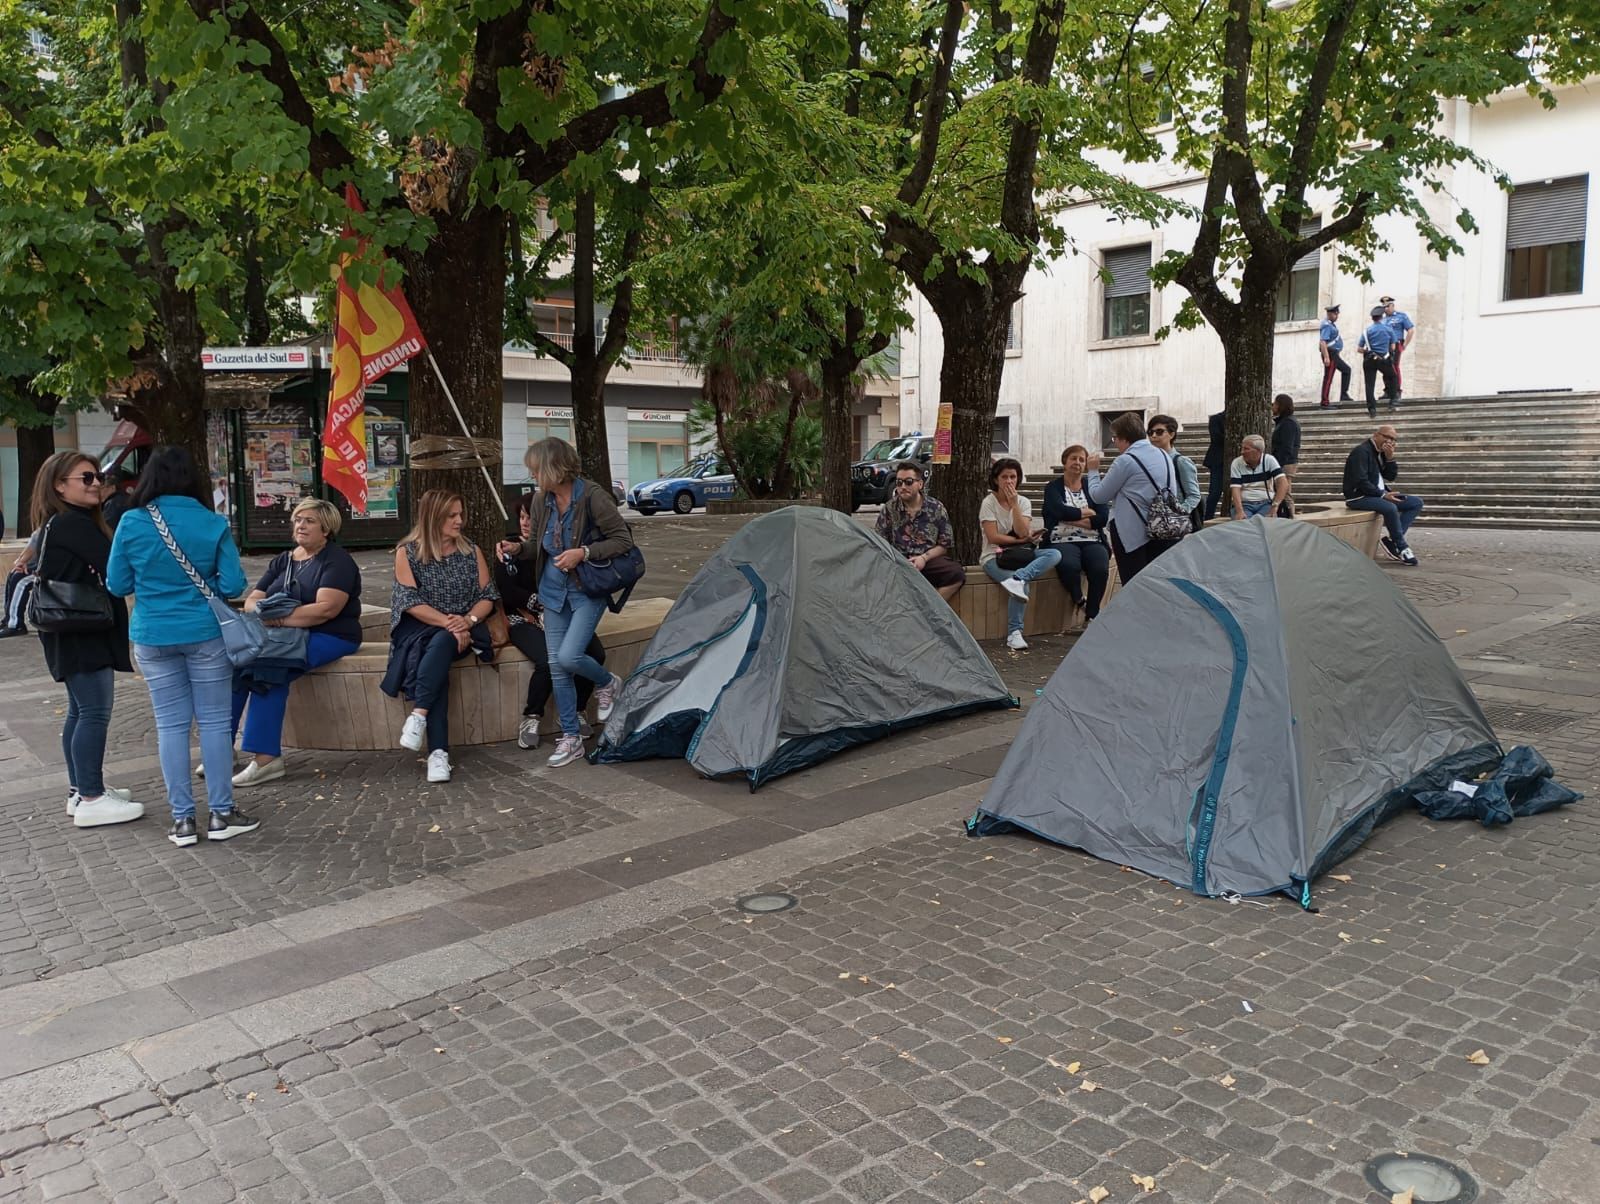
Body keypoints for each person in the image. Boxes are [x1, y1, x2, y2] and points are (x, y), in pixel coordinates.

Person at [106, 446, 256, 847]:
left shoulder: (132, 522)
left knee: (170, 726)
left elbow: (117, 584)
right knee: (213, 722)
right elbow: (232, 586)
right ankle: (222, 813)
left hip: (153, 634)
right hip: (205, 633)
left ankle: (183, 821)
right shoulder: (211, 522)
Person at [501, 438, 633, 768]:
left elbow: (623, 541)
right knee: (559, 669)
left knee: (570, 655)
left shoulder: (592, 496)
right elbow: (535, 546)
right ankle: (571, 738)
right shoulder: (541, 501)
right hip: (552, 592)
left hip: (587, 590)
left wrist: (584, 553)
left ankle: (607, 682)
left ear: (552, 467)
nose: (531, 474)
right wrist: (518, 549)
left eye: (535, 468)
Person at [30, 453, 143, 828]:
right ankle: (92, 798)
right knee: (93, 712)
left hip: (69, 629)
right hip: (81, 629)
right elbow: (116, 565)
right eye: (87, 478)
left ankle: (81, 790)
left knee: (80, 712)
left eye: (98, 476)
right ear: (59, 485)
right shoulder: (72, 524)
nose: (97, 483)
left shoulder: (58, 523)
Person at [228, 498, 364, 787]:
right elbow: (253, 600)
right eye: (298, 520)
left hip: (331, 635)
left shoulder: (336, 560)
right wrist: (270, 615)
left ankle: (266, 759)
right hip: (284, 635)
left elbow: (325, 610)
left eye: (309, 521)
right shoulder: (284, 560)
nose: (300, 525)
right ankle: (222, 749)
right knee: (237, 665)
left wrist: (276, 618)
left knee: (270, 669)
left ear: (326, 528)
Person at [382, 489, 499, 783]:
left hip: (464, 627)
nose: (459, 521)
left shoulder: (471, 551)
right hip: (423, 626)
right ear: (433, 518)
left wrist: (468, 620)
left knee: (442, 644)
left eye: (461, 514)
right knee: (438, 650)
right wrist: (451, 624)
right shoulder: (407, 552)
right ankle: (437, 754)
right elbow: (409, 601)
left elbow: (488, 596)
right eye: (452, 515)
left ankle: (419, 717)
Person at [494, 491, 606, 750]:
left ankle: (577, 709)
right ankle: (531, 717)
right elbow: (507, 590)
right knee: (547, 660)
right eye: (521, 516)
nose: (524, 522)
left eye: (530, 517)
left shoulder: (554, 547)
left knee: (594, 653)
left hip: (560, 615)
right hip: (521, 619)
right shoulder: (508, 548)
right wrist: (539, 601)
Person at [1086, 411, 1183, 584]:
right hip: (1163, 528)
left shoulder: (1126, 460)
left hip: (1132, 534)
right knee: (1155, 585)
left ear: (1124, 438)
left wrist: (1093, 471)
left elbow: (1099, 496)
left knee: (1133, 587)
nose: (1115, 443)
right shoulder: (1164, 455)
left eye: (1114, 438)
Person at [979, 457, 1062, 651]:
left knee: (1054, 554)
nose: (1009, 481)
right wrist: (1021, 540)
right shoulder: (988, 502)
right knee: (1021, 589)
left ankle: (1020, 576)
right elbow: (993, 537)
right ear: (996, 480)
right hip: (994, 557)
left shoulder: (1023, 502)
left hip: (1020, 554)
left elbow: (1024, 531)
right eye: (1004, 477)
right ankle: (1014, 633)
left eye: (1013, 477)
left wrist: (1014, 505)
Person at [875, 461, 964, 602]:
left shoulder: (936, 508)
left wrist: (923, 558)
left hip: (927, 560)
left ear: (920, 484)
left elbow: (944, 545)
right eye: (899, 483)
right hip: (898, 562)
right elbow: (879, 541)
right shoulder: (889, 508)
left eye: (908, 482)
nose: (903, 487)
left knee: (956, 573)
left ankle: (933, 610)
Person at [1042, 446, 1108, 630]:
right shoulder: (1053, 487)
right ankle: (1079, 598)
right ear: (1065, 461)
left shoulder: (1093, 488)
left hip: (1092, 539)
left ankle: (1093, 615)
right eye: (1073, 458)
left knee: (1100, 567)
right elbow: (1058, 510)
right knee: (1069, 565)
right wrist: (1086, 513)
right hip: (1061, 539)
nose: (1077, 463)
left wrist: (1069, 516)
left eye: (1081, 460)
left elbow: (1102, 517)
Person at [1343, 425, 1423, 566]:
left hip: (1378, 495)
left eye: (1393, 440)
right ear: (1376, 435)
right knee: (1390, 508)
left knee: (1415, 503)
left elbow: (1391, 476)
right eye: (1387, 437)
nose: (1390, 442)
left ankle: (1391, 541)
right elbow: (1360, 481)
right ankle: (1401, 547)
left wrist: (1390, 458)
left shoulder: (1380, 453)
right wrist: (1382, 494)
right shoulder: (1361, 452)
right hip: (1359, 497)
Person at [1146, 415, 1203, 528]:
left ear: (1171, 434)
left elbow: (1194, 495)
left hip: (1175, 525)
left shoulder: (1181, 461)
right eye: (1150, 432)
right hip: (1153, 522)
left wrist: (1179, 514)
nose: (1153, 436)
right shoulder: (1148, 461)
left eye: (1159, 432)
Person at [1229, 435, 1288, 520]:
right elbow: (1235, 489)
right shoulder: (1237, 463)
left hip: (1266, 503)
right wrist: (1239, 511)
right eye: (1242, 448)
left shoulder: (1269, 460)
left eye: (1246, 449)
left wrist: (1275, 505)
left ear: (1258, 451)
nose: (1242, 452)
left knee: (1265, 524)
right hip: (1244, 504)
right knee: (1244, 526)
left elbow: (1283, 482)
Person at [1357, 304, 1400, 417]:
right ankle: (1393, 401)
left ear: (1372, 318)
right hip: (1383, 359)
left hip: (1369, 359)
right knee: (1392, 376)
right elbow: (1393, 347)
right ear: (1382, 316)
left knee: (1369, 384)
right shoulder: (1388, 329)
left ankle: (1372, 409)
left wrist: (1368, 351)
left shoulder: (1366, 331)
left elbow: (1359, 349)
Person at [0, 526, 43, 638]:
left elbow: (32, 551)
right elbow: (29, 549)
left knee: (20, 581)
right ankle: (9, 618)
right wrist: (19, 563)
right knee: (13, 575)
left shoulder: (52, 528)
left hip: (50, 571)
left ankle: (16, 625)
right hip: (40, 567)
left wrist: (24, 564)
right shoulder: (43, 529)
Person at [1271, 394, 1302, 517]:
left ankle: (1290, 516)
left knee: (1285, 492)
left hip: (1285, 462)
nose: (1273, 406)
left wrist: (1277, 465)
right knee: (1283, 491)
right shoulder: (1285, 422)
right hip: (1285, 461)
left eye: (1275, 404)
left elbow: (1286, 447)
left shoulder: (1288, 423)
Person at [1318, 304, 1353, 407]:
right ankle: (1324, 402)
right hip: (1330, 354)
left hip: (1334, 354)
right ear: (1330, 314)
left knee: (1346, 370)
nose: (1337, 316)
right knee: (1328, 378)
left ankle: (1344, 395)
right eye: (1335, 314)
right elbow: (1323, 342)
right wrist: (1326, 357)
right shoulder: (1327, 325)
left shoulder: (1331, 324)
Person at [1381, 295, 1416, 395]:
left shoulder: (1401, 316)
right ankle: (1387, 390)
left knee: (1394, 366)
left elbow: (1410, 330)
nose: (1386, 309)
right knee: (1385, 367)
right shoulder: (1382, 319)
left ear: (1392, 305)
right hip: (1385, 345)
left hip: (1396, 344)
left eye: (1387, 306)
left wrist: (1404, 345)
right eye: (1384, 307)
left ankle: (1396, 390)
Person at [1201, 409, 1227, 521]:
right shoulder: (1216, 419)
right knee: (1215, 492)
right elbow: (1216, 437)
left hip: (1228, 459)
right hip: (1218, 459)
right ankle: (1207, 518)